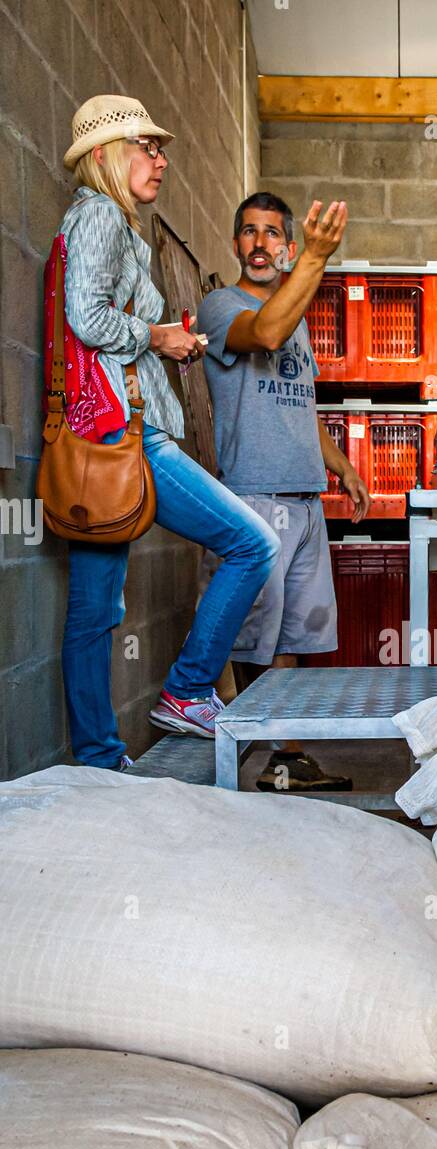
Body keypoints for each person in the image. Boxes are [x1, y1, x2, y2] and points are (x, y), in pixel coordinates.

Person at [52, 95, 280, 769]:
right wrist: (158, 336)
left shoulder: (110, 223)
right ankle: (186, 690)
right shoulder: (100, 216)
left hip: (104, 439)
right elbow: (86, 318)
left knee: (93, 612)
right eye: (144, 148)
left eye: (161, 149)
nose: (160, 159)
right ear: (103, 157)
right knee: (251, 542)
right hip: (126, 435)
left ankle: (97, 759)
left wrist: (164, 343)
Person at [196, 191, 370, 793]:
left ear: (286, 245)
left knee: (293, 636)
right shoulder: (221, 307)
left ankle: (285, 757)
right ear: (237, 243)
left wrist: (341, 466)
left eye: (273, 233)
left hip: (305, 497)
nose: (260, 243)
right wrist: (317, 262)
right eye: (249, 232)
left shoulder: (296, 327)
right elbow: (265, 333)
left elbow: (305, 407)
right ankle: (257, 739)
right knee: (255, 636)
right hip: (254, 496)